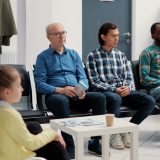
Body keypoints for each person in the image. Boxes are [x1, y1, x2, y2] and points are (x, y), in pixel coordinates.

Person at [34, 23, 107, 158]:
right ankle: (69, 144)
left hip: (76, 94)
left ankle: (95, 141)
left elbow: (83, 78)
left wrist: (79, 89)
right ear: (48, 37)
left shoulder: (74, 54)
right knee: (60, 101)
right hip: (56, 96)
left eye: (63, 32)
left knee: (100, 98)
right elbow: (40, 84)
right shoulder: (42, 57)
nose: (61, 36)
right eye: (57, 34)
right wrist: (60, 90)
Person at [85, 22, 156, 150]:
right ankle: (114, 133)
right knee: (115, 98)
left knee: (150, 101)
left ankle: (127, 130)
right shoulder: (92, 56)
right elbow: (94, 81)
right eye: (113, 36)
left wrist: (127, 87)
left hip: (124, 91)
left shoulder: (121, 56)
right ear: (103, 37)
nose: (117, 38)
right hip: (107, 92)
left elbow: (129, 77)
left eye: (118, 35)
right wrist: (114, 89)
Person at [0, 65, 70, 160]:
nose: (22, 89)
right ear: (6, 92)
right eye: (18, 86)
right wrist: (53, 134)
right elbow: (31, 143)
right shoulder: (10, 115)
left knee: (34, 125)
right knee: (56, 147)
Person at [139, 22, 160, 106]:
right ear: (152, 36)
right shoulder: (147, 52)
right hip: (155, 89)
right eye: (159, 33)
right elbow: (144, 79)